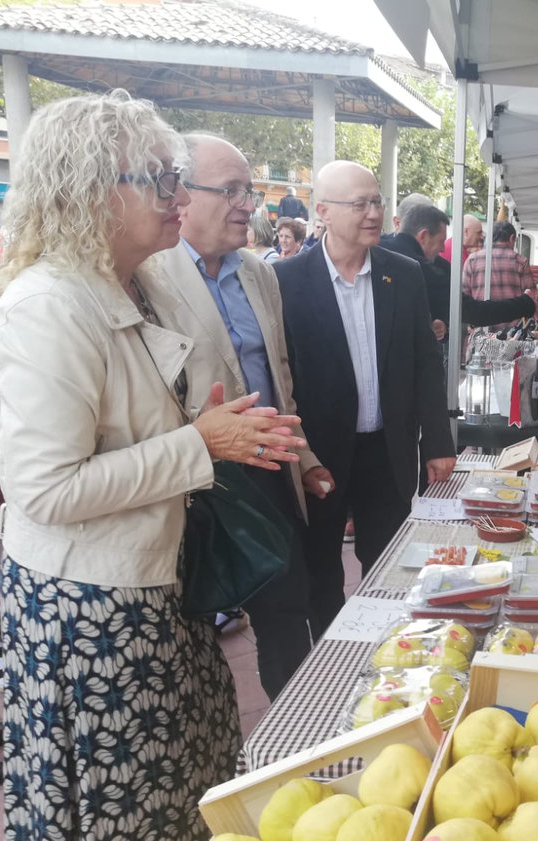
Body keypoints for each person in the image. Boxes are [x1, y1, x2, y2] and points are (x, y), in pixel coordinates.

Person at [0, 91, 306, 841]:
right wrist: (200, 444)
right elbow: (43, 489)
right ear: (93, 191)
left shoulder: (136, 285)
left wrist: (206, 425)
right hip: (92, 620)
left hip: (159, 593)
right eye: (161, 178)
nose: (178, 194)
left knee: (184, 803)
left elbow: (141, 427)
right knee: (127, 832)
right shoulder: (47, 305)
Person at [157, 133, 333, 700]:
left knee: (287, 610)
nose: (247, 205)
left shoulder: (259, 273)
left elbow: (279, 379)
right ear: (184, 193)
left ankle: (295, 727)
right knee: (191, 633)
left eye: (249, 191)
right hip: (195, 485)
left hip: (269, 471)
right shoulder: (149, 277)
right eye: (231, 190)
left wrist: (304, 458)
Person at [275, 161, 456, 635]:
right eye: (360, 204)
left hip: (386, 449)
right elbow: (282, 375)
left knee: (390, 565)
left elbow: (425, 363)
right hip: (320, 454)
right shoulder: (287, 280)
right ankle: (333, 651)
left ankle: (387, 645)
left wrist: (438, 443)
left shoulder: (404, 274)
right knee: (322, 569)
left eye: (377, 201)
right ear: (323, 212)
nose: (374, 213)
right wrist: (299, 456)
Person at [385, 202, 538, 333]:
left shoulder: (381, 250)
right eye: (440, 241)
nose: (442, 248)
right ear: (423, 236)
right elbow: (472, 311)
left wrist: (443, 324)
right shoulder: (418, 268)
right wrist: (525, 303)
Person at [462, 220, 536, 301]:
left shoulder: (472, 260)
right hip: (512, 309)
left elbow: (464, 294)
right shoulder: (521, 262)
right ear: (512, 238)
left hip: (480, 309)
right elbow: (531, 297)